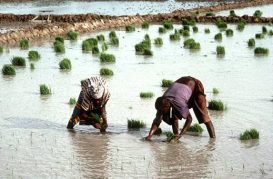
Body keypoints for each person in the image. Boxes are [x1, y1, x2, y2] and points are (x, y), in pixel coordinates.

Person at [145, 76, 216, 141]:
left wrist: (180, 135)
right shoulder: (163, 101)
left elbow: (189, 119)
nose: (161, 112)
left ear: (167, 106)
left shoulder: (179, 103)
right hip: (182, 84)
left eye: (162, 111)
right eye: (159, 110)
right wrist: (149, 135)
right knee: (174, 115)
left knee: (204, 117)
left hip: (195, 86)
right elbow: (157, 119)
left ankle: (213, 139)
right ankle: (175, 136)